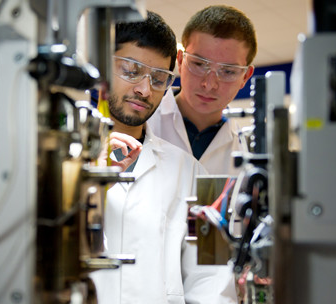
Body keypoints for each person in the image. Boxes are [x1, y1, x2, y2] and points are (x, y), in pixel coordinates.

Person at [90, 11, 238, 304]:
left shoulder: (198, 174)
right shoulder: (63, 164)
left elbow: (214, 279)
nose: (144, 90)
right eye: (131, 70)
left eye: (159, 79)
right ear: (102, 67)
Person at [148, 5, 257, 175]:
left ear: (245, 76)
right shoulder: (142, 124)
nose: (209, 84)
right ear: (180, 60)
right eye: (199, 64)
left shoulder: (247, 151)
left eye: (228, 71)